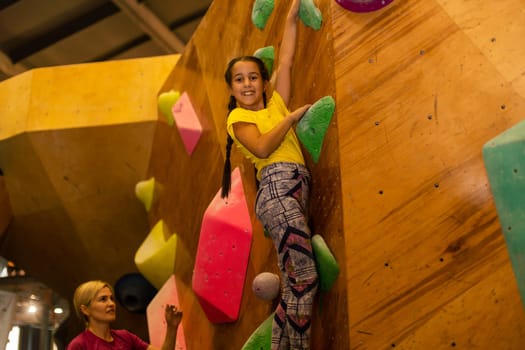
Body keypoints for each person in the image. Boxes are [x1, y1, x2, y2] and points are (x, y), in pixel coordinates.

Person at [221, 1, 319, 349]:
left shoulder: (275, 103)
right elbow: (262, 148)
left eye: (253, 77)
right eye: (239, 79)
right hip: (277, 188)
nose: (247, 84)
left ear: (264, 82)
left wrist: (291, 18)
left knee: (295, 282)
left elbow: (288, 57)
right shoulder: (237, 120)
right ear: (232, 89)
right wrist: (291, 119)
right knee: (305, 277)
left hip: (293, 186)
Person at [66, 280, 182, 350]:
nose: (111, 304)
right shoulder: (79, 345)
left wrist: (172, 327)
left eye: (112, 298)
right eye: (103, 299)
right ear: (85, 310)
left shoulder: (125, 337)